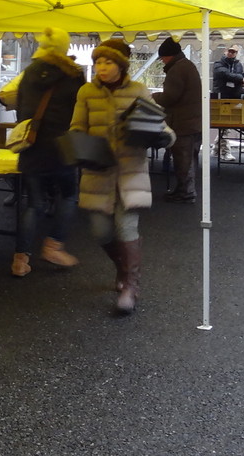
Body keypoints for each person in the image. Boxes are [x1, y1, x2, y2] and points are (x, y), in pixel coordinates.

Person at [71, 38, 171, 315]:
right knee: (100, 231)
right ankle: (122, 268)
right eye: (98, 62)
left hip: (130, 172)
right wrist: (79, 145)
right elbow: (77, 126)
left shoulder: (139, 90)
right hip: (97, 171)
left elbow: (163, 127)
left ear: (121, 65)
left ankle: (131, 286)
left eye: (108, 62)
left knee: (126, 227)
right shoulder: (86, 92)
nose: (101, 67)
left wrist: (160, 137)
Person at [10, 27, 86, 277]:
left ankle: (20, 260)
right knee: (68, 196)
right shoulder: (73, 74)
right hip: (63, 146)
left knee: (34, 204)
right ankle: (54, 246)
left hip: (32, 146)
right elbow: (80, 111)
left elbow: (20, 109)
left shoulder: (29, 72)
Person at [153, 36, 202, 203]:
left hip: (183, 124)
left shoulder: (177, 69)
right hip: (193, 122)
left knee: (183, 160)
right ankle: (184, 190)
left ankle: (186, 193)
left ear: (169, 55)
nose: (162, 61)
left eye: (162, 57)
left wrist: (153, 96)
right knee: (190, 160)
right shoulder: (187, 66)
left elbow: (169, 97)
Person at [211, 44, 244, 161]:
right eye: (230, 51)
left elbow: (243, 76)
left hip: (234, 98)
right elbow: (224, 74)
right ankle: (225, 151)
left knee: (226, 126)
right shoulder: (218, 64)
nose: (232, 53)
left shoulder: (238, 64)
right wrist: (239, 79)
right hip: (221, 98)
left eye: (234, 52)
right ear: (225, 51)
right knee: (224, 124)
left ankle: (217, 149)